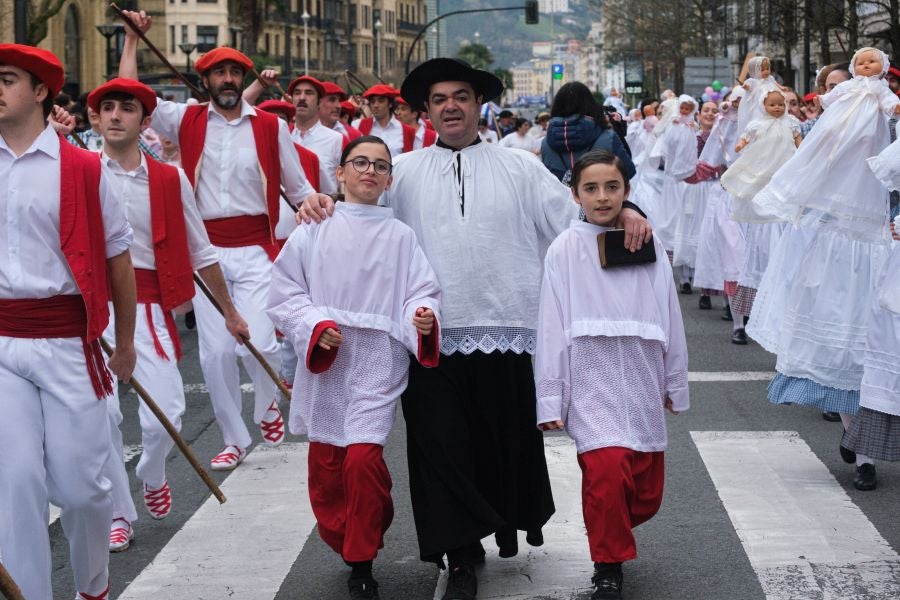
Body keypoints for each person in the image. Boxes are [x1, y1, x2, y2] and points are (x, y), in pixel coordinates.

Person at [298, 57, 652, 600]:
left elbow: (575, 226)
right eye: (439, 99)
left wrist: (626, 212)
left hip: (508, 328)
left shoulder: (520, 167)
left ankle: (504, 526)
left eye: (460, 96)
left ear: (477, 103)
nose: (450, 106)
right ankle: (461, 555)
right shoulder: (405, 172)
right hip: (427, 336)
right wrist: (320, 202)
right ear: (426, 110)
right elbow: (358, 215)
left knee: (500, 444)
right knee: (440, 447)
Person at [118, 10, 325, 471]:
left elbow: (298, 187)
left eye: (235, 72)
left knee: (264, 343)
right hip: (203, 253)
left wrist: (317, 204)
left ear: (243, 78)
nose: (228, 79)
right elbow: (131, 97)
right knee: (213, 355)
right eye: (219, 72)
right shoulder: (185, 120)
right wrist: (132, 41)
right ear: (206, 79)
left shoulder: (269, 127)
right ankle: (233, 436)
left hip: (256, 248)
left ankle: (266, 406)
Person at [269, 136, 441, 600]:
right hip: (329, 356)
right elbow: (284, 291)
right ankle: (353, 531)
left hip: (377, 358)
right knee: (330, 465)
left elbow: (420, 290)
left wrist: (421, 315)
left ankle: (362, 560)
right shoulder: (315, 227)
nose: (370, 171)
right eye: (360, 162)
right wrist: (314, 324)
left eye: (380, 166)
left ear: (389, 180)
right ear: (340, 173)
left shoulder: (401, 236)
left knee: (363, 458)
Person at [87, 78, 250, 551]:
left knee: (167, 417)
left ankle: (151, 472)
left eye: (128, 109)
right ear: (95, 119)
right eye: (108, 107)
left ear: (144, 121)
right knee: (103, 417)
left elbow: (202, 251)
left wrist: (231, 312)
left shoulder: (168, 178)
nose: (116, 115)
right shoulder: (76, 172)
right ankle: (119, 511)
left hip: (149, 306)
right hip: (92, 307)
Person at [0, 43, 136, 600]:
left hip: (67, 342)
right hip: (2, 343)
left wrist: (124, 344)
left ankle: (93, 586)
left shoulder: (82, 168)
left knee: (83, 492)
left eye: (7, 78)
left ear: (39, 91)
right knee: (17, 482)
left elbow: (118, 261)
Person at [536, 150, 688, 600]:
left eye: (612, 187)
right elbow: (550, 323)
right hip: (589, 373)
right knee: (606, 468)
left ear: (627, 192)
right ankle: (608, 564)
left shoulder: (646, 241)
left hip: (641, 372)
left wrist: (673, 380)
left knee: (643, 487)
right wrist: (550, 397)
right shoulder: (564, 248)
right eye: (591, 188)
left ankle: (614, 527)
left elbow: (669, 310)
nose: (602, 197)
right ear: (575, 194)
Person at [747, 48, 900, 490]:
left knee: (873, 350)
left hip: (881, 243)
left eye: (840, 86)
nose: (837, 94)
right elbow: (793, 182)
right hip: (827, 249)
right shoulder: (811, 133)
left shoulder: (889, 115)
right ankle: (861, 446)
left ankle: (864, 443)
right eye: (830, 88)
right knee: (842, 348)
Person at [541, 81, 636, 185]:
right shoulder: (608, 137)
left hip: (559, 201)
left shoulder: (545, 144)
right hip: (601, 199)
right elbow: (628, 172)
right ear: (590, 103)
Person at [353, 84, 422, 157]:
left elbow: (413, 159)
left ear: (390, 104)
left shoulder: (408, 131)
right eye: (372, 102)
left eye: (381, 101)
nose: (376, 105)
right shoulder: (357, 125)